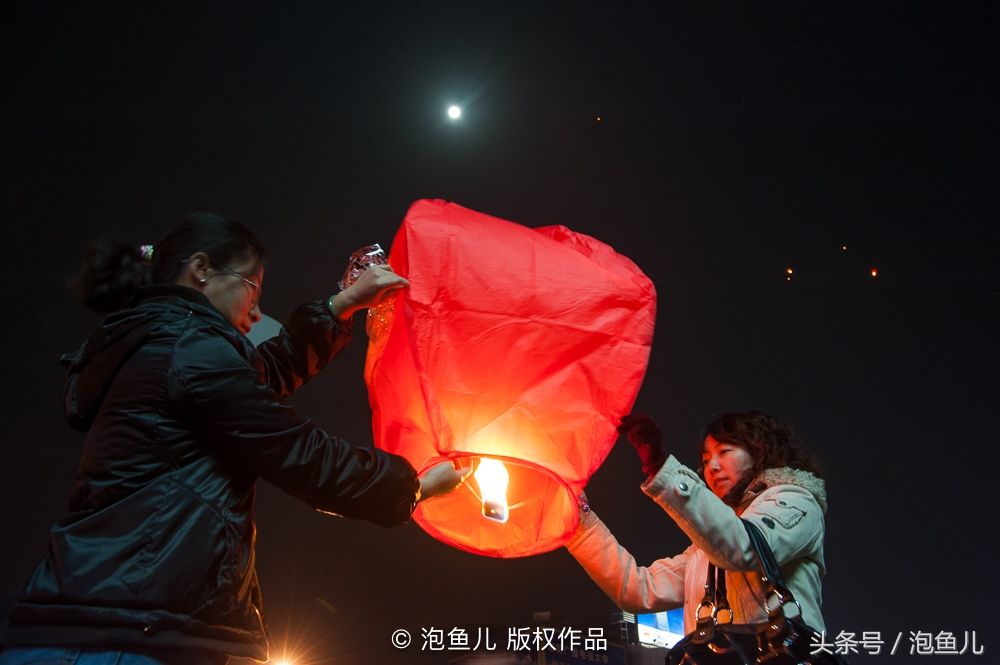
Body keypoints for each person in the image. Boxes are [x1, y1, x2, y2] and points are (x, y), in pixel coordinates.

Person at [0, 213, 467, 664]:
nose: (256, 311)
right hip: (126, 636)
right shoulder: (189, 350)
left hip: (102, 621)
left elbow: (258, 379)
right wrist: (412, 486)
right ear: (201, 269)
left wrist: (340, 306)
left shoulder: (158, 342)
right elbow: (299, 453)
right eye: (252, 288)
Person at [565, 411, 828, 636]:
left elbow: (745, 547)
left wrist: (661, 468)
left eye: (724, 451)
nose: (712, 466)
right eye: (705, 459)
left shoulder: (797, 501)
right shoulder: (706, 551)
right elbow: (638, 589)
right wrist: (576, 518)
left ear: (760, 452)